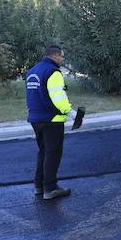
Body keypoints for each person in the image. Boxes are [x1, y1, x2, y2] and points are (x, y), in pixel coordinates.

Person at [25, 45, 73, 200]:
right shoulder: (53, 72)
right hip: (52, 119)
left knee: (43, 152)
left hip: (36, 118)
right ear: (56, 55)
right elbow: (58, 96)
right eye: (62, 57)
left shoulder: (32, 71)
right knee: (53, 153)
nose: (62, 60)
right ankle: (51, 188)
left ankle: (39, 186)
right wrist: (69, 112)